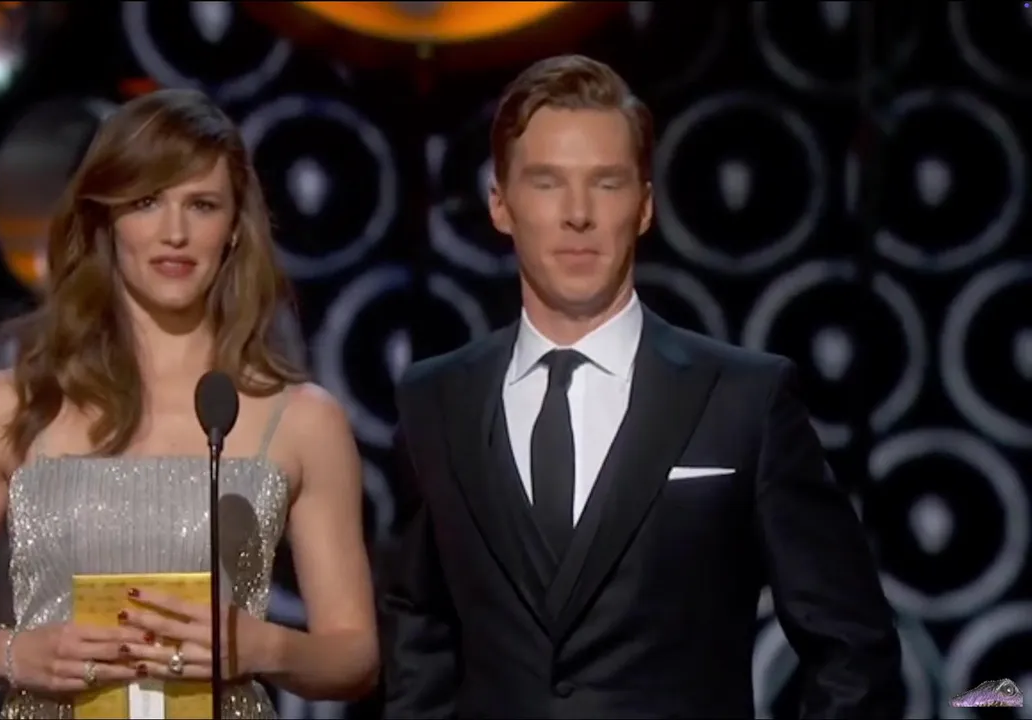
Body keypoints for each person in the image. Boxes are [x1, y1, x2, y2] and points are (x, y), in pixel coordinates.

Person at [381, 54, 902, 718]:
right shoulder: (434, 403)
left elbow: (853, 649)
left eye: (606, 183)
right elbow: (417, 635)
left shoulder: (745, 400)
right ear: (500, 204)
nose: (578, 214)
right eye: (547, 182)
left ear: (645, 205)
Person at [0, 88, 378, 719]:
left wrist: (264, 646)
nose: (175, 233)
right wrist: (14, 654)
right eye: (146, 202)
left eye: (202, 205)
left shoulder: (303, 420)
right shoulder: (7, 407)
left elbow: (354, 654)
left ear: (234, 229)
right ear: (105, 220)